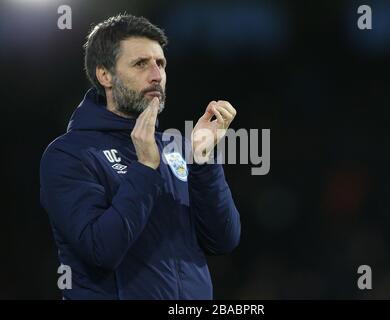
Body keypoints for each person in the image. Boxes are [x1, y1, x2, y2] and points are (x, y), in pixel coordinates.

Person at [39, 14, 241, 300]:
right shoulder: (69, 154)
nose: (157, 75)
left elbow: (223, 240)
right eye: (141, 64)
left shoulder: (176, 148)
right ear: (105, 75)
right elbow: (101, 250)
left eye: (161, 63)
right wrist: (145, 168)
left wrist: (202, 160)